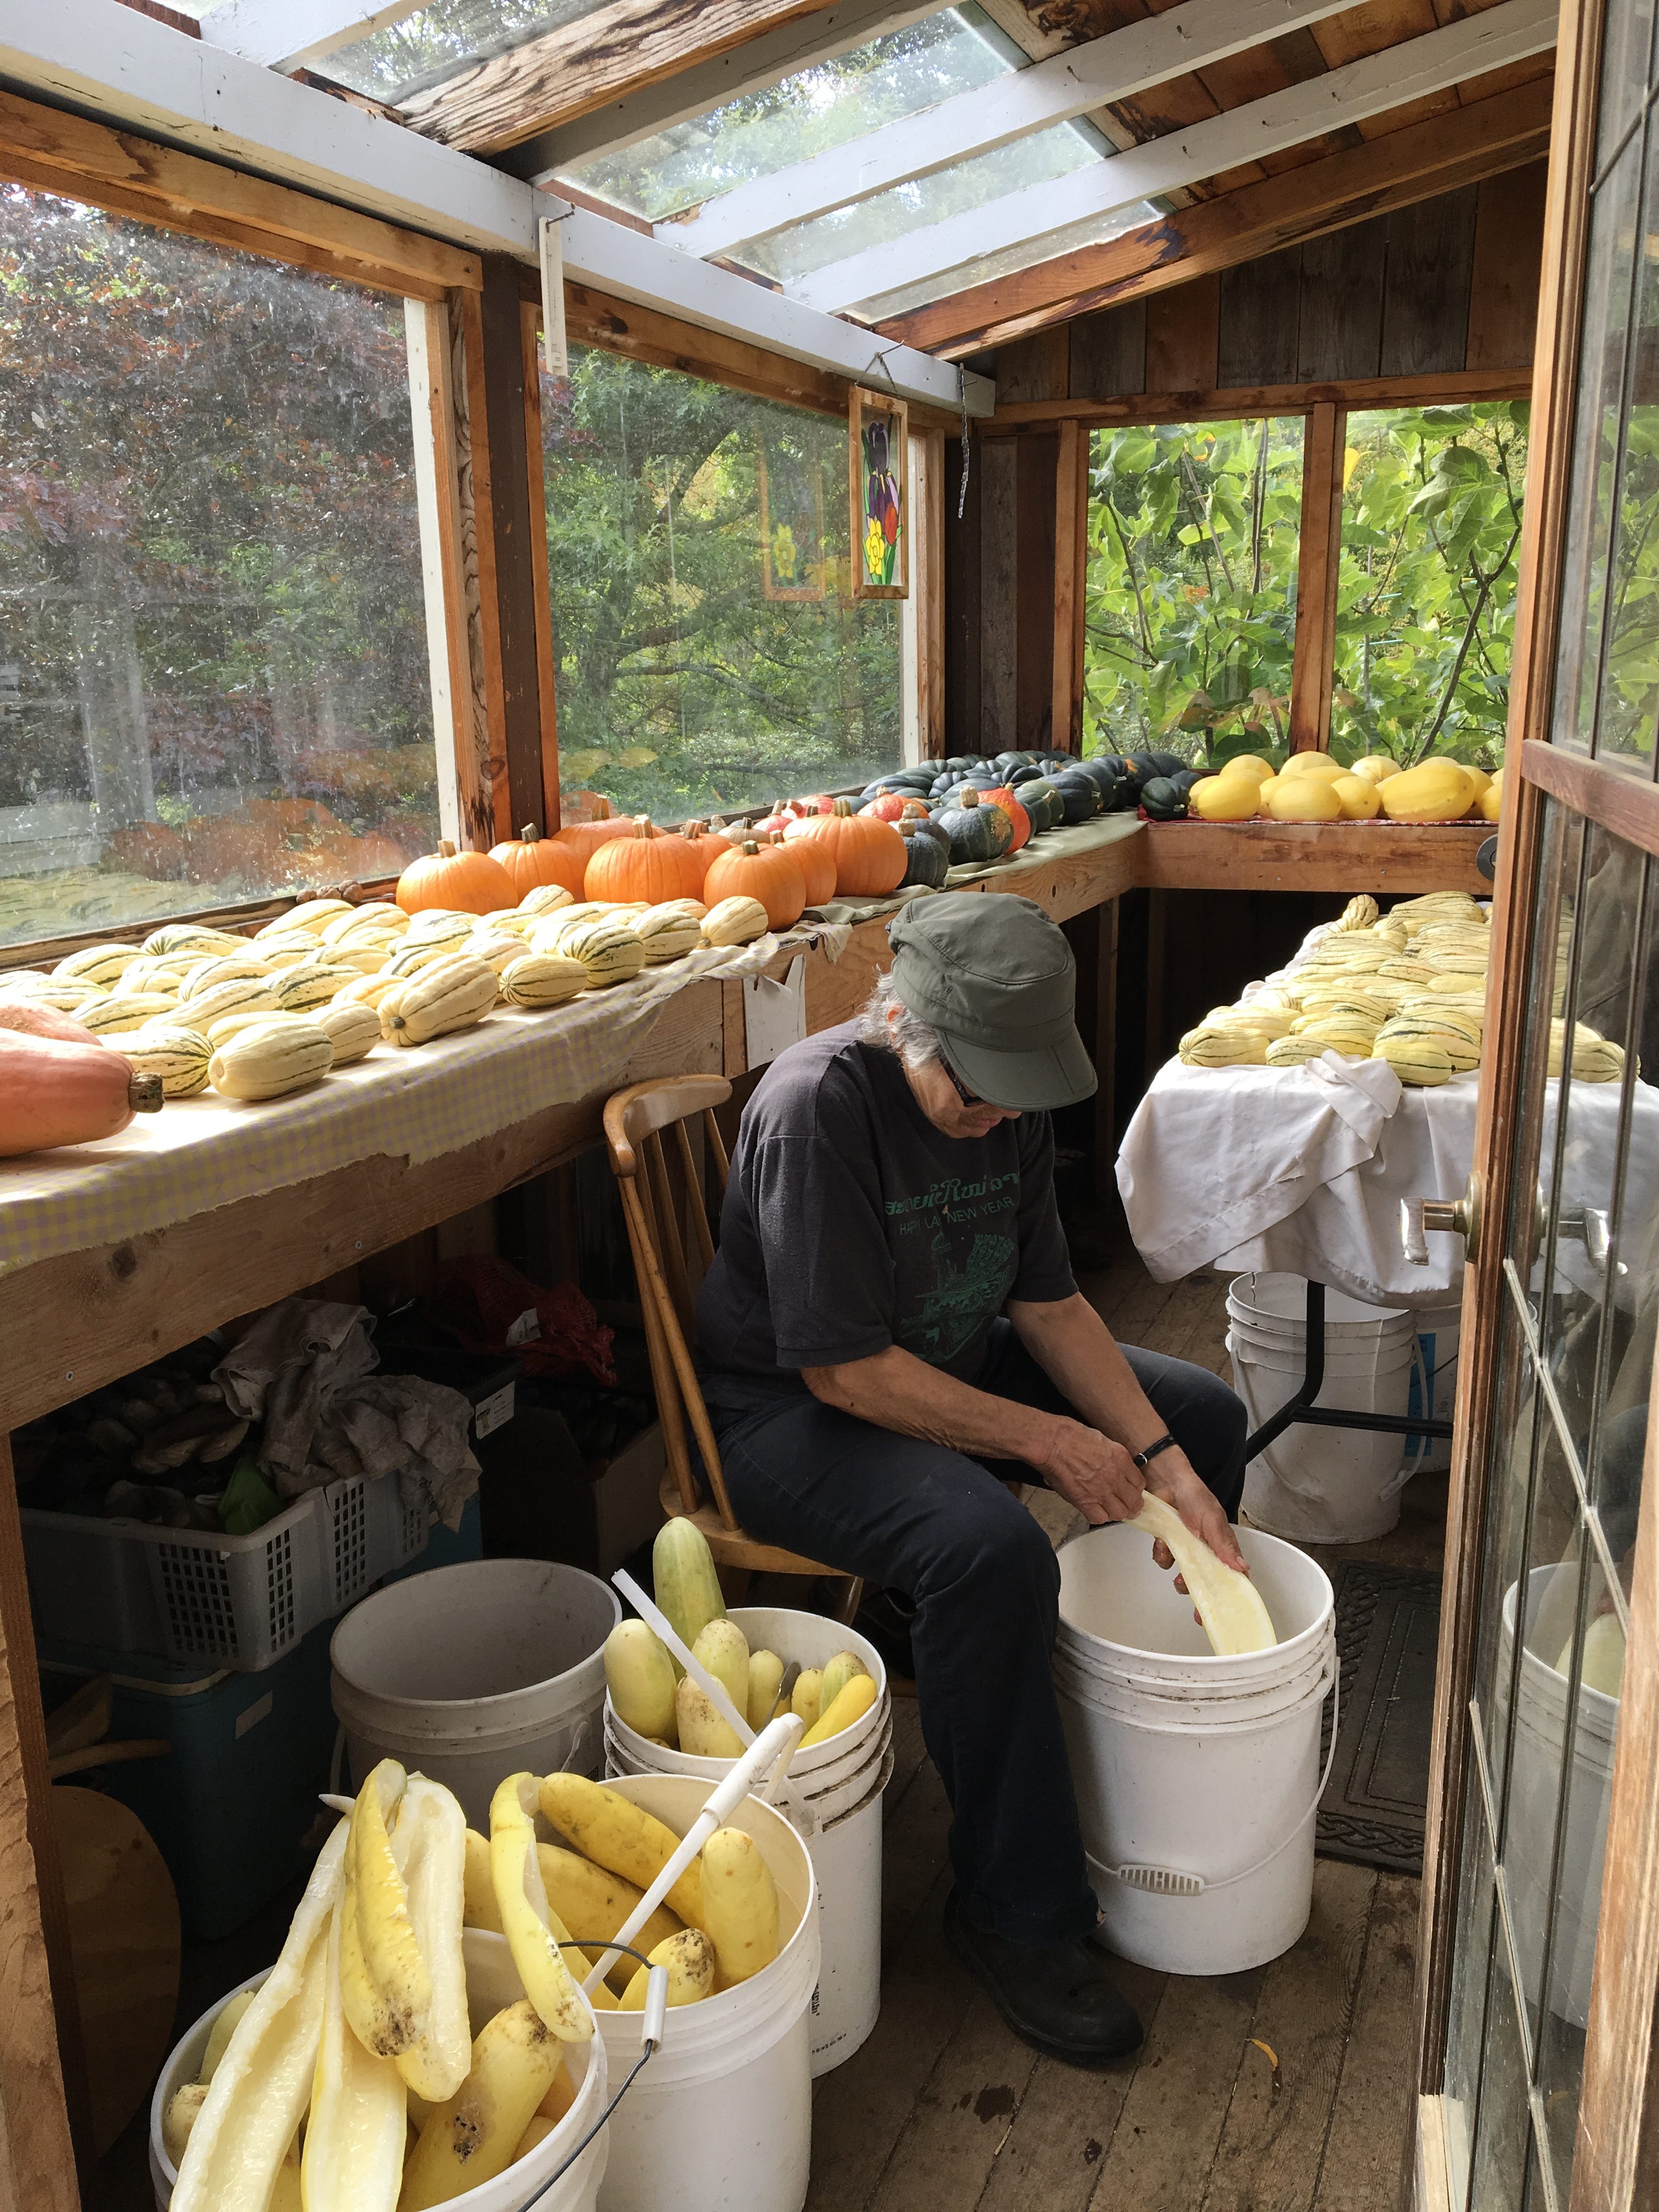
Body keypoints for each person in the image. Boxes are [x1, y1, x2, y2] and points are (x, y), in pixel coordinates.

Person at [693, 892, 1251, 2066]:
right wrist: (1050, 1443)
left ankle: (1147, 1746)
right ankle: (1014, 1908)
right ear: (905, 1025)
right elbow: (846, 1373)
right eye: (978, 1090)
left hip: (943, 1352)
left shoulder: (1009, 1106)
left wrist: (1162, 1462)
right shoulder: (815, 1109)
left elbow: (1049, 1305)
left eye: (1019, 1091)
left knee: (1202, 1417)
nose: (998, 1114)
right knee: (988, 1550)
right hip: (791, 1414)